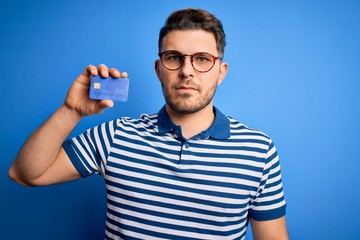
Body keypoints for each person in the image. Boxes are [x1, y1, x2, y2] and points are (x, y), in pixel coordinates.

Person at [9, 8, 288, 240]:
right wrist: (71, 110)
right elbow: (25, 174)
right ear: (158, 69)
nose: (187, 71)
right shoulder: (116, 135)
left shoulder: (258, 150)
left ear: (221, 72)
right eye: (174, 58)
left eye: (202, 59)